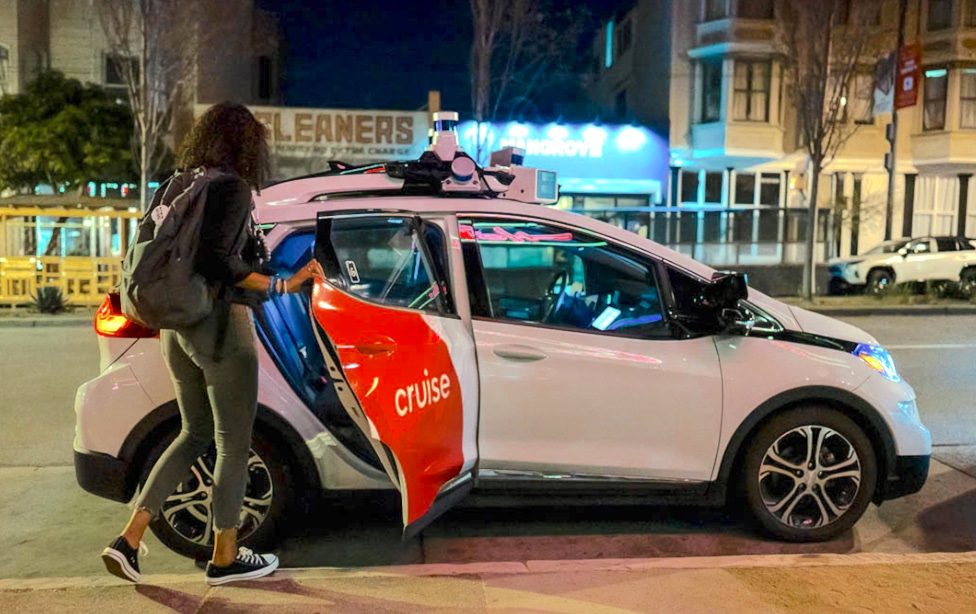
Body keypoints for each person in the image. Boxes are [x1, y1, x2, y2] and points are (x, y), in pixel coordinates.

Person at [100, 102, 324, 585]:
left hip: (178, 329)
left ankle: (128, 540)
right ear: (245, 143)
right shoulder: (232, 188)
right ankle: (225, 557)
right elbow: (219, 262)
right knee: (233, 444)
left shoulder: (183, 181)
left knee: (194, 433)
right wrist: (284, 284)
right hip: (220, 325)